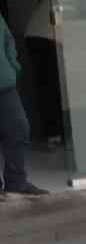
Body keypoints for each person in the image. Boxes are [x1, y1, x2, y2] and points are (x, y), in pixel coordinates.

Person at [0, 19, 45, 196]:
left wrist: (12, 66)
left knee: (19, 128)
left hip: (5, 84)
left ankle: (16, 183)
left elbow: (7, 38)